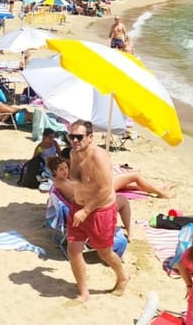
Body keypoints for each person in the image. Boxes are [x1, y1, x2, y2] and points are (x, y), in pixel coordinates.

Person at [52, 120, 129, 303]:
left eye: (79, 137)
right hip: (78, 208)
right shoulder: (73, 153)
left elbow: (105, 189)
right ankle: (84, 293)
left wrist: (86, 211)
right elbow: (78, 182)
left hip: (99, 210)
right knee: (73, 250)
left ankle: (123, 276)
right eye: (71, 136)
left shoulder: (99, 158)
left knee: (104, 252)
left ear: (90, 137)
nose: (74, 140)